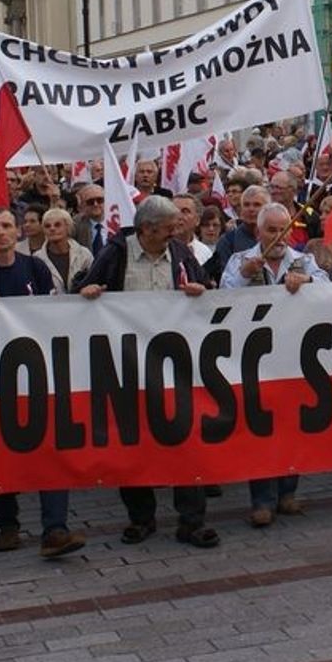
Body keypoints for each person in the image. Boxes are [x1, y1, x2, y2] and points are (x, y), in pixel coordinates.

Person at [78, 197, 220, 548]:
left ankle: (192, 521)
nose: (176, 232)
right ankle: (141, 518)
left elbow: (208, 287)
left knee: (186, 440)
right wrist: (88, 292)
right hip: (128, 366)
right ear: (146, 229)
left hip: (176, 365)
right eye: (168, 228)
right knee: (133, 442)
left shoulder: (181, 254)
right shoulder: (115, 254)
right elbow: (81, 291)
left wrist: (201, 290)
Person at [0, 208, 85, 559]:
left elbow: (54, 314)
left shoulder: (36, 269)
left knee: (52, 448)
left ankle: (55, 528)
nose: (0, 232)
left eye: (6, 226)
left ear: (18, 232)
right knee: (1, 452)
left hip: (38, 374)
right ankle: (7, 525)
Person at [220, 202, 326, 526]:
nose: (279, 237)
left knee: (292, 425)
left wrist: (307, 283)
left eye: (284, 230)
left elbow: (329, 289)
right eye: (271, 230)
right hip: (255, 359)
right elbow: (223, 294)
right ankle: (262, 499)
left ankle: (287, 492)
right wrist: (244, 276)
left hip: (294, 358)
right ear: (258, 231)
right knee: (260, 428)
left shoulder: (303, 261)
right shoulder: (240, 260)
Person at [35, 207, 94, 294]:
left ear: (67, 227)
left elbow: (94, 281)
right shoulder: (36, 259)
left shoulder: (84, 254)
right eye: (47, 226)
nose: (52, 228)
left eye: (57, 225)